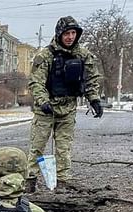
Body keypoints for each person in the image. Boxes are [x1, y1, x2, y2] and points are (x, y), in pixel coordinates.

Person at [26, 16, 103, 192]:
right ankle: (30, 181)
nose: (70, 37)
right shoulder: (45, 55)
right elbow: (36, 82)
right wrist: (43, 101)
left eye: (73, 33)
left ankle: (62, 182)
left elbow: (91, 80)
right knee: (37, 146)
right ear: (59, 34)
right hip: (46, 109)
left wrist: (95, 99)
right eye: (66, 33)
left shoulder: (83, 55)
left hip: (68, 108)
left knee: (64, 147)